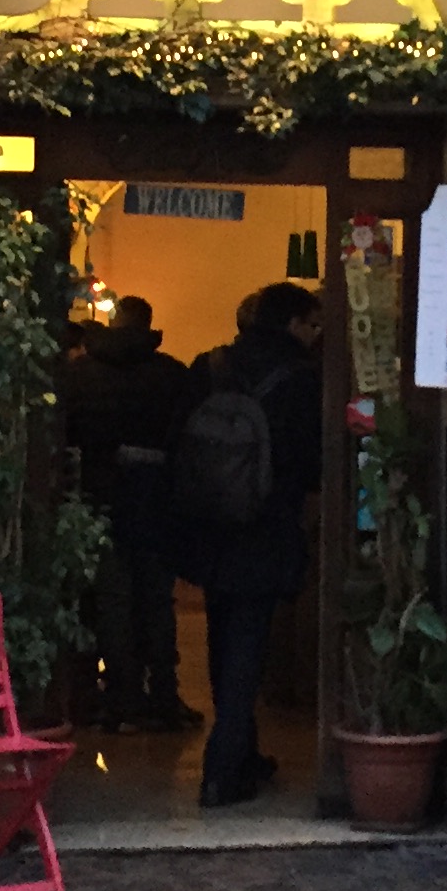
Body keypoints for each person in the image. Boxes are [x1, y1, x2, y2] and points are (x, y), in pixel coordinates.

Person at [172, 280, 323, 808]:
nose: (317, 334)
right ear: (292, 324)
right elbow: (311, 461)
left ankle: (243, 752)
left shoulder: (209, 366)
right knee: (248, 645)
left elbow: (178, 442)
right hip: (266, 525)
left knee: (223, 639)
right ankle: (223, 769)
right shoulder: (303, 378)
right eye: (313, 324)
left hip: (210, 524)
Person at [62, 296, 199, 730]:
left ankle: (121, 697)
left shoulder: (81, 374)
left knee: (112, 598)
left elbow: (66, 432)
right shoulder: (171, 374)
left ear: (114, 321)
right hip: (156, 498)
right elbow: (187, 437)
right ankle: (163, 695)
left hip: (99, 493)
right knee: (157, 599)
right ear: (148, 325)